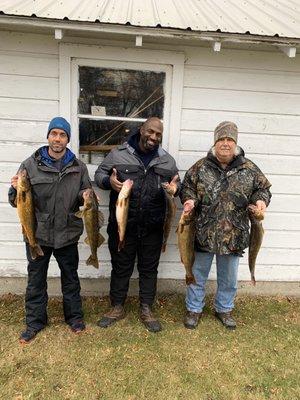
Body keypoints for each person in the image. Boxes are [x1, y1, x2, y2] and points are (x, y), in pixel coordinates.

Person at [180, 121, 271, 330]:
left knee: (228, 278)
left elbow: (263, 190)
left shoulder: (249, 168)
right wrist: (189, 200)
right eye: (221, 139)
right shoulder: (200, 167)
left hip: (234, 234)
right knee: (196, 275)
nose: (225, 143)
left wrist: (261, 201)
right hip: (203, 232)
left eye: (230, 139)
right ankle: (194, 309)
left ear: (235, 144)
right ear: (215, 142)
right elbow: (188, 189)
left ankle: (224, 308)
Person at [8, 117, 92, 343]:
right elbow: (14, 200)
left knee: (71, 278)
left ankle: (74, 317)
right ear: (48, 136)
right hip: (37, 233)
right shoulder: (29, 165)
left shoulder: (78, 167)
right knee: (36, 279)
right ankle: (35, 321)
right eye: (54, 133)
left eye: (62, 134)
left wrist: (86, 196)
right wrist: (14, 189)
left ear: (67, 139)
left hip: (67, 232)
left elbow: (86, 196)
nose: (57, 138)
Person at [94, 117, 180, 333]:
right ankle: (117, 306)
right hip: (124, 224)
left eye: (158, 134)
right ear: (141, 129)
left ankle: (146, 308)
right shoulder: (118, 154)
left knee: (149, 269)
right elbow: (99, 175)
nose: (153, 137)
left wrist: (175, 188)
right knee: (121, 267)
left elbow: (178, 183)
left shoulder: (166, 161)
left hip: (153, 226)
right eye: (150, 131)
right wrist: (109, 182)